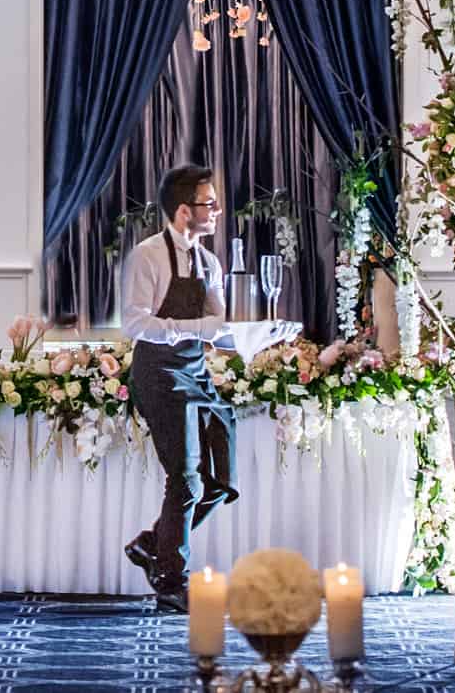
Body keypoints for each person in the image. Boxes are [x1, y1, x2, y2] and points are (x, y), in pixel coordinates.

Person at [121, 164, 287, 611]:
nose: (216, 211)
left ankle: (153, 543)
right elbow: (135, 323)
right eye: (207, 203)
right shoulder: (148, 256)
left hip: (196, 372)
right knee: (186, 479)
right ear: (182, 211)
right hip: (158, 374)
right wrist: (195, 327)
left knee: (221, 480)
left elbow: (220, 329)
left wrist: (266, 334)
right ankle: (172, 581)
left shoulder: (209, 262)